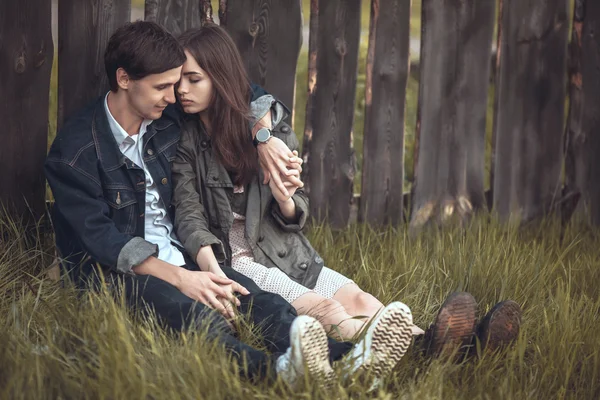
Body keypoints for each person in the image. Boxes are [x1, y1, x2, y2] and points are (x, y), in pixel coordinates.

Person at [44, 20, 418, 390]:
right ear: (124, 79)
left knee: (265, 304)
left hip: (184, 257)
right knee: (197, 316)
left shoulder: (161, 115)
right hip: (121, 274)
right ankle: (280, 373)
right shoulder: (74, 154)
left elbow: (237, 87)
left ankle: (348, 359)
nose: (174, 96)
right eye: (163, 87)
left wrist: (263, 136)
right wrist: (183, 278)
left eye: (176, 85)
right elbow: (104, 241)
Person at [171, 23, 523, 355]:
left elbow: (295, 213)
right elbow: (189, 216)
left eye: (194, 79)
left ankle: (445, 345)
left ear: (219, 78)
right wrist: (214, 274)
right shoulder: (184, 142)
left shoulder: (272, 134)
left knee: (361, 300)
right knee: (326, 310)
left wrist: (285, 199)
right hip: (240, 261)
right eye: (180, 80)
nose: (182, 90)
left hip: (283, 249)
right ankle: (436, 347)